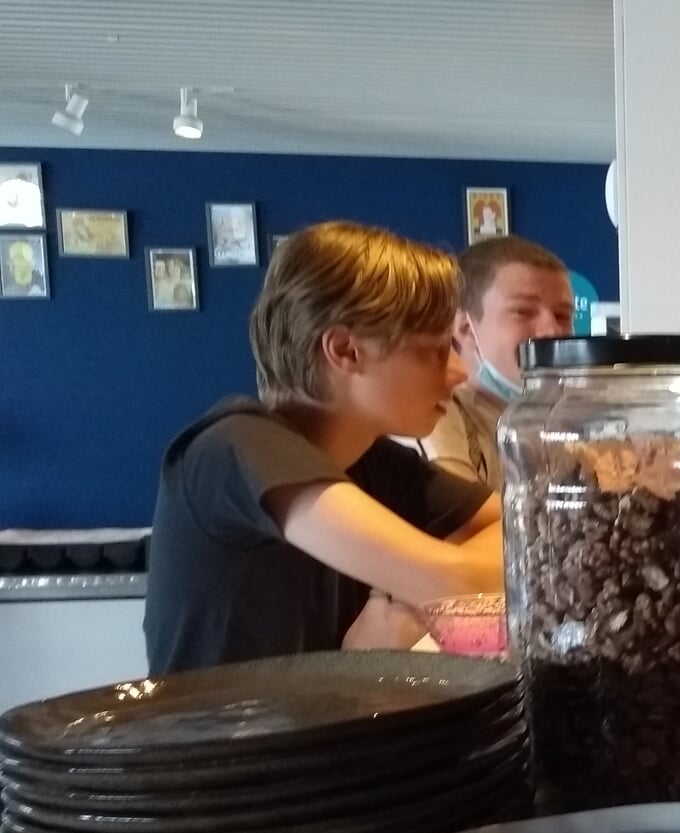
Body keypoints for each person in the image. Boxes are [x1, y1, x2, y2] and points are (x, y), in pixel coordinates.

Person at [144, 221, 505, 675]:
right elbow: (460, 584)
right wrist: (423, 593)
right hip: (219, 744)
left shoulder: (376, 462)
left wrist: (421, 593)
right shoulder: (233, 447)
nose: (456, 371)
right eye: (434, 350)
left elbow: (526, 533)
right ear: (344, 349)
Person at [416, 236, 572, 490]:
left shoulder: (565, 418)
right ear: (465, 327)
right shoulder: (435, 415)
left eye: (562, 315)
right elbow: (462, 523)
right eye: (523, 311)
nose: (552, 330)